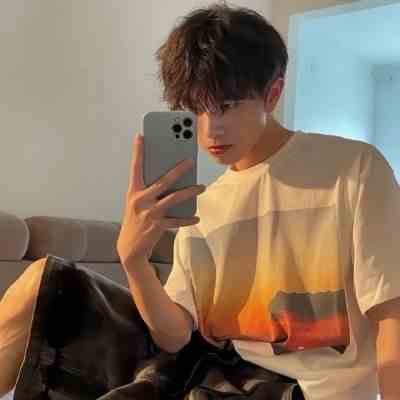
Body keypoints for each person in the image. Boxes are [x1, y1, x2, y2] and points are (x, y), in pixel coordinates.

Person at [1, 2, 399, 399]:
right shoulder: (202, 206)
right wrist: (134, 260)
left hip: (301, 392)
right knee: (45, 282)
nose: (210, 131)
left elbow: (391, 314)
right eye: (195, 110)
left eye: (226, 106)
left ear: (273, 93)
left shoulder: (353, 169)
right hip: (207, 374)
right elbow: (174, 335)